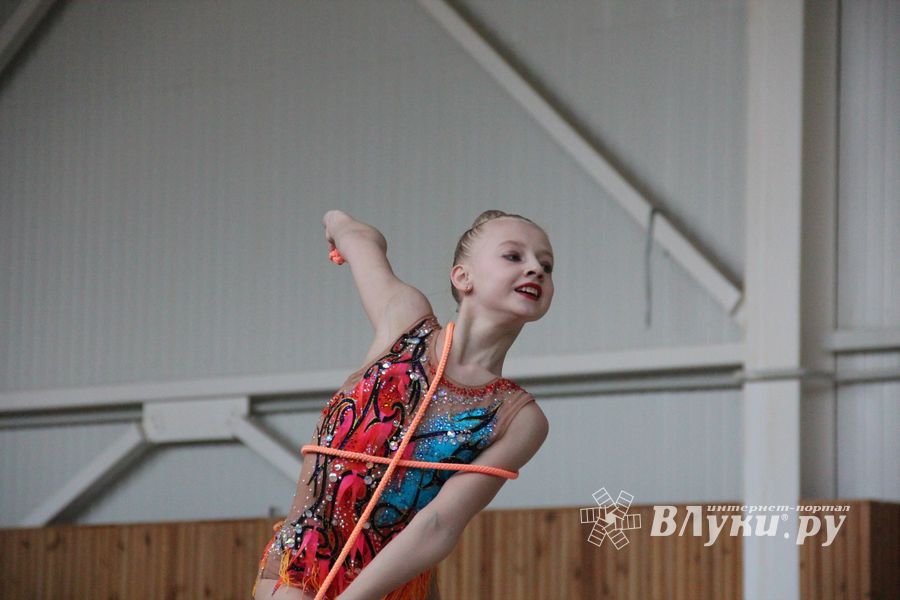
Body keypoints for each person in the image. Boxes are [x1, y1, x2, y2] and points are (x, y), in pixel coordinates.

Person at [253, 209, 553, 600]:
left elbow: (439, 522)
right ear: (463, 277)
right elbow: (361, 238)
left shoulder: (518, 418)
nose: (537, 270)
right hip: (301, 562)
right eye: (514, 256)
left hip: (391, 588)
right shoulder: (405, 320)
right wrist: (336, 225)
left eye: (546, 265)